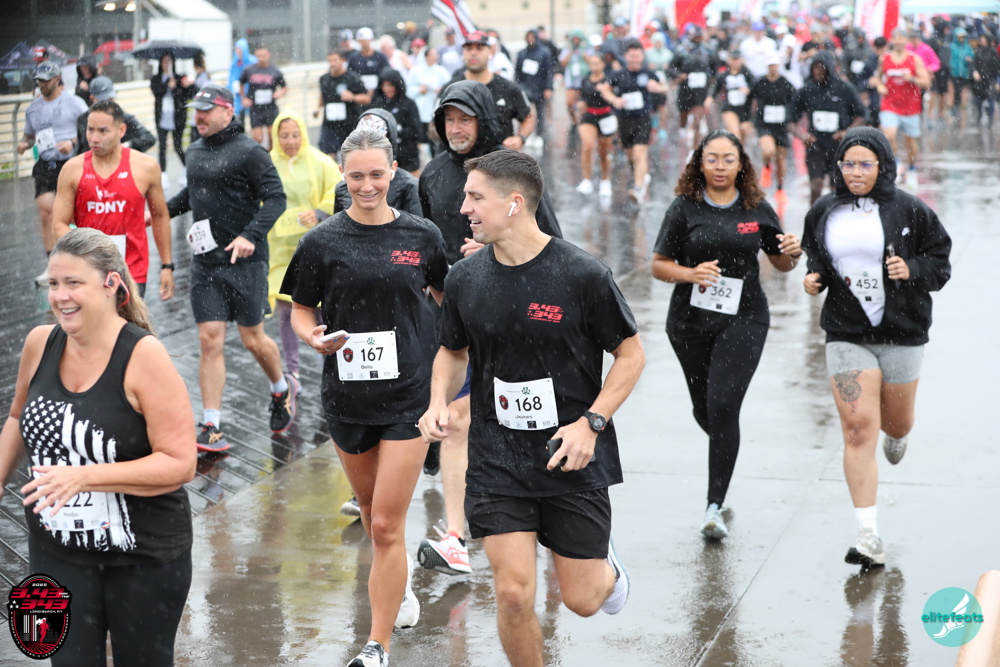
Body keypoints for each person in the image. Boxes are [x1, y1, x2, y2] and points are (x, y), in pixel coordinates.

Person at [418, 150, 644, 665]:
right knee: (514, 594)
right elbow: (452, 350)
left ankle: (606, 570)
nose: (464, 208)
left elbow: (631, 355)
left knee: (582, 600)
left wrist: (591, 423)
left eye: (476, 198)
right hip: (497, 456)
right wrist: (438, 402)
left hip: (570, 453)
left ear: (514, 203)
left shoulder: (581, 274)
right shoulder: (465, 278)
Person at [282, 129, 448, 667]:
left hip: (408, 397)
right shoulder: (322, 242)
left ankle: (377, 645)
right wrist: (311, 337)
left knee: (383, 525)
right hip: (348, 399)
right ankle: (397, 581)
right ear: (343, 175)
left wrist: (447, 362)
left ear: (394, 171)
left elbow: (446, 295)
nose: (368, 185)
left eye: (377, 174)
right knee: (375, 511)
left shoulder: (422, 235)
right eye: (356, 176)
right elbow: (301, 309)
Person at [0, 227, 197, 665]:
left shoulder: (144, 356)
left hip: (142, 557)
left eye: (74, 283)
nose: (60, 296)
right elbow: (16, 416)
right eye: (53, 283)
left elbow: (181, 463)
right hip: (54, 552)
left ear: (111, 284)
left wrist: (85, 477)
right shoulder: (39, 343)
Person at [415, 82, 562, 577]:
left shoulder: (511, 168)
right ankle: (456, 538)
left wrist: (497, 252)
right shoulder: (434, 174)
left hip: (520, 322)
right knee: (457, 422)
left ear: (483, 120)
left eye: (465, 119)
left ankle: (562, 526)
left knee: (528, 422)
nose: (456, 128)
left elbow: (552, 241)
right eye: (448, 119)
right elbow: (427, 246)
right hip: (459, 319)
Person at [801, 127, 951, 568]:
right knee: (858, 428)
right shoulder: (824, 210)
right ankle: (868, 535)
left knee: (896, 423)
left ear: (883, 166)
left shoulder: (911, 209)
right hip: (846, 333)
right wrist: (814, 279)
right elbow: (816, 257)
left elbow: (941, 262)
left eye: (865, 164)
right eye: (848, 163)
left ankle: (898, 435)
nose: (855, 172)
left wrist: (913, 269)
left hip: (903, 332)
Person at [651, 130, 802, 539]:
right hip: (689, 323)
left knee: (722, 405)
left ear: (741, 165)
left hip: (745, 317)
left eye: (728, 159)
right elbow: (659, 265)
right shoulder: (684, 208)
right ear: (700, 164)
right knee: (706, 410)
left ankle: (713, 506)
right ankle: (725, 447)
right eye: (712, 159)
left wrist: (792, 253)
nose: (720, 167)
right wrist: (690, 273)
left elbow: (781, 262)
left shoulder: (756, 208)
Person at [166, 83, 295, 452]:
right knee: (209, 340)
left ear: (228, 112)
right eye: (196, 111)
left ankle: (280, 388)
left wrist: (250, 235)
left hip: (245, 262)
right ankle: (212, 425)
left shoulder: (250, 152)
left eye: (206, 110)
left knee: (252, 339)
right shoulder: (193, 150)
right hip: (206, 263)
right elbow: (192, 195)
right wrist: (157, 212)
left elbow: (276, 198)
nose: (199, 117)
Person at [53, 99, 173, 302]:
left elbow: (160, 216)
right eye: (90, 130)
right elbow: (58, 225)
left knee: (126, 323)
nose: (94, 138)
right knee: (92, 323)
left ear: (121, 130)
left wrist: (167, 266)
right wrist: (89, 252)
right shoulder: (72, 169)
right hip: (88, 272)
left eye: (103, 131)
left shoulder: (145, 167)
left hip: (131, 271)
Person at [267, 111, 340, 388]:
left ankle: (328, 364)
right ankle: (293, 371)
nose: (290, 141)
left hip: (315, 248)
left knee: (319, 308)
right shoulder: (268, 164)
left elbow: (336, 188)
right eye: (284, 136)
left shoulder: (320, 162)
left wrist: (319, 212)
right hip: (281, 249)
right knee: (287, 306)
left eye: (295, 135)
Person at [17, 61, 89, 283]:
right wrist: (24, 144)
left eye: (46, 80)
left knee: (75, 214)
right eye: (39, 81)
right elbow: (29, 136)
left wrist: (72, 143)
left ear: (57, 79)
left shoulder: (75, 103)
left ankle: (82, 259)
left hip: (70, 164)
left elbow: (89, 131)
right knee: (46, 213)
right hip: (45, 164)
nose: (42, 84)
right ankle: (53, 264)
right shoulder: (33, 109)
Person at [789, 51, 866, 205]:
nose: (817, 71)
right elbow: (789, 119)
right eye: (814, 68)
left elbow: (861, 115)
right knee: (816, 186)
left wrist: (846, 132)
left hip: (838, 146)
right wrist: (802, 136)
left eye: (820, 67)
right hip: (815, 144)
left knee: (836, 188)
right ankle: (814, 216)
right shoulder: (807, 89)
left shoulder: (844, 88)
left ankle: (834, 216)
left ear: (829, 68)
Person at [599, 40, 668, 202]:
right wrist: (614, 99)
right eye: (632, 56)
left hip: (643, 118)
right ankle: (640, 176)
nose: (635, 59)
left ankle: (638, 189)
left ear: (642, 56)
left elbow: (665, 87)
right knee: (630, 155)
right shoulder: (618, 74)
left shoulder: (649, 73)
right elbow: (604, 89)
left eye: (638, 56)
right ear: (626, 56)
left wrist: (657, 88)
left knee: (639, 154)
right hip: (624, 119)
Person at [446, 31, 536, 150]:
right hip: (460, 158)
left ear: (490, 51)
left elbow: (529, 116)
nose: (473, 53)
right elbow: (434, 125)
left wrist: (520, 138)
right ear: (463, 53)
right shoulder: (451, 88)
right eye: (469, 48)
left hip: (498, 158)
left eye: (479, 48)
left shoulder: (508, 88)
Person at [870, 29, 930, 187]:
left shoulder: (914, 59)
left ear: (906, 41)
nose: (898, 41)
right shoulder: (884, 58)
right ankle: (896, 163)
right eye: (895, 38)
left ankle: (912, 170)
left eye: (901, 38)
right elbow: (877, 77)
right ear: (891, 40)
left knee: (910, 141)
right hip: (890, 104)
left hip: (910, 106)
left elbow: (926, 81)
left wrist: (912, 78)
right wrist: (880, 86)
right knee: (889, 135)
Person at [334, 109, 422, 216]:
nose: (367, 188)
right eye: (357, 176)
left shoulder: (409, 186)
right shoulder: (343, 187)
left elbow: (416, 224)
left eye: (376, 175)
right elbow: (338, 222)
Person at [749, 52, 796, 201]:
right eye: (770, 65)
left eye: (774, 65)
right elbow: (750, 99)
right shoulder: (760, 82)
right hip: (764, 123)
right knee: (768, 150)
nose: (772, 68)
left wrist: (792, 119)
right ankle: (766, 165)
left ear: (778, 66)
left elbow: (795, 102)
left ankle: (780, 189)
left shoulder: (786, 83)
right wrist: (750, 118)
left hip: (781, 125)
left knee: (781, 160)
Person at [76, 76, 156, 155]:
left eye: (110, 100)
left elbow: (149, 138)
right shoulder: (83, 119)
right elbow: (79, 148)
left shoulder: (123, 118)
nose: (108, 105)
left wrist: (127, 145)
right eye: (91, 129)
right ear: (92, 98)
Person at [314, 49, 371, 158]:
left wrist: (353, 97)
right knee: (327, 154)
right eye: (330, 61)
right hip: (330, 123)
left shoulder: (352, 77)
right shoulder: (324, 79)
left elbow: (366, 98)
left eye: (335, 60)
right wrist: (317, 108)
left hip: (349, 123)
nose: (332, 64)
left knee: (351, 155)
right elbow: (322, 96)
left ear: (342, 60)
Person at [575, 50, 615, 197]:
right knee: (587, 147)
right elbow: (582, 96)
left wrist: (607, 92)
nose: (594, 67)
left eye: (597, 63)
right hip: (589, 116)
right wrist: (580, 103)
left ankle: (605, 181)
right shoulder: (585, 79)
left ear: (603, 64)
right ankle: (586, 180)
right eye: (591, 64)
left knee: (604, 152)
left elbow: (613, 96)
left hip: (605, 116)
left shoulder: (609, 79)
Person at [670, 27, 718, 147]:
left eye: (699, 36)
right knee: (683, 115)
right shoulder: (682, 50)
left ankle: (695, 148)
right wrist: (679, 75)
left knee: (697, 120)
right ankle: (683, 130)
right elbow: (671, 68)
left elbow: (715, 67)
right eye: (695, 36)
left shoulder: (708, 50)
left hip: (701, 90)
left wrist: (711, 78)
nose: (698, 38)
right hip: (685, 89)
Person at [150, 54, 194, 182]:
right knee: (162, 146)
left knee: (178, 146)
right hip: (162, 118)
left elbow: (187, 95)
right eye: (164, 61)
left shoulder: (179, 77)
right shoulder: (156, 79)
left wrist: (184, 85)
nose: (167, 64)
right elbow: (156, 92)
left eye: (169, 61)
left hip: (177, 118)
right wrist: (166, 85)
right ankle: (163, 174)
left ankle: (187, 169)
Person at [371, 67, 423, 174]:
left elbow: (416, 131)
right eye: (384, 85)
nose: (387, 89)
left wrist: (394, 132)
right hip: (384, 157)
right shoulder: (378, 104)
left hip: (408, 156)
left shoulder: (409, 104)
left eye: (391, 85)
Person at [240, 47, 287, 147]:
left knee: (272, 136)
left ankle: (270, 154)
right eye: (259, 56)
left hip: (270, 107)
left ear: (269, 55)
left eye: (264, 55)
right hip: (255, 108)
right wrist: (244, 98)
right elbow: (241, 83)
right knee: (258, 138)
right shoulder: (249, 70)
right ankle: (259, 154)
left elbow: (284, 87)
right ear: (256, 56)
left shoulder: (275, 71)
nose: (262, 58)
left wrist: (280, 93)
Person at [706, 50, 756, 142]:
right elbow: (715, 87)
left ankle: (739, 149)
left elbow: (755, 86)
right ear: (729, 60)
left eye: (737, 59)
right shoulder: (724, 74)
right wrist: (710, 97)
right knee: (735, 133)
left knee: (744, 130)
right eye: (733, 59)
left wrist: (748, 90)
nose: (735, 62)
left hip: (745, 107)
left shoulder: (747, 73)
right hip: (729, 106)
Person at [515, 30, 554, 137]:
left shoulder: (544, 52)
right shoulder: (522, 53)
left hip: (539, 86)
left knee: (540, 112)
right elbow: (518, 71)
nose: (530, 40)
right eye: (529, 37)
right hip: (525, 86)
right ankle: (525, 134)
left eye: (532, 37)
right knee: (525, 111)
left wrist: (548, 87)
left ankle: (540, 134)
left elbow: (548, 71)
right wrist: (518, 86)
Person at [349, 28, 392, 97]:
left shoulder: (380, 56)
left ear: (371, 40)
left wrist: (377, 89)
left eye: (365, 40)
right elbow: (349, 75)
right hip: (359, 93)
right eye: (361, 41)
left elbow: (387, 73)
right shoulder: (353, 57)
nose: (363, 43)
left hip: (379, 93)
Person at [560, 31, 590, 126]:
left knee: (583, 103)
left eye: (578, 38)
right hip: (571, 80)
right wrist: (570, 51)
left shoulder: (586, 48)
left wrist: (582, 51)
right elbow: (563, 62)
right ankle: (574, 121)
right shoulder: (567, 49)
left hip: (583, 80)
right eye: (574, 38)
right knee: (569, 102)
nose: (576, 40)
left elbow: (591, 61)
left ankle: (582, 121)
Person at [971, 33, 1000, 127]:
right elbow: (973, 64)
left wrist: (998, 81)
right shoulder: (978, 51)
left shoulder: (993, 52)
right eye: (981, 39)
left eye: (984, 39)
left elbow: (998, 68)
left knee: (991, 99)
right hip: (980, 79)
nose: (983, 41)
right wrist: (974, 71)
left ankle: (990, 119)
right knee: (978, 99)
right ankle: (979, 115)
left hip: (990, 79)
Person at [229, 38, 257, 128]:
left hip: (251, 95)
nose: (237, 51)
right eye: (236, 49)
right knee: (240, 118)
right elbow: (231, 78)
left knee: (254, 119)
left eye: (239, 49)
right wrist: (233, 87)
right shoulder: (235, 62)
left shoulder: (252, 61)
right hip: (238, 95)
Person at [950, 28, 975, 127]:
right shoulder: (952, 47)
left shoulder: (967, 47)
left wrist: (970, 59)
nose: (961, 38)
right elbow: (950, 58)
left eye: (963, 37)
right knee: (956, 90)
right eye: (959, 37)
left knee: (962, 90)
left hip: (964, 73)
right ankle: (955, 108)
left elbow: (972, 56)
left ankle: (959, 107)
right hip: (955, 73)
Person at [188, 53, 212, 144]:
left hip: (201, 110)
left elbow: (203, 92)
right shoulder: (202, 76)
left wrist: (192, 86)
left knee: (197, 139)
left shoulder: (203, 77)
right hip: (200, 111)